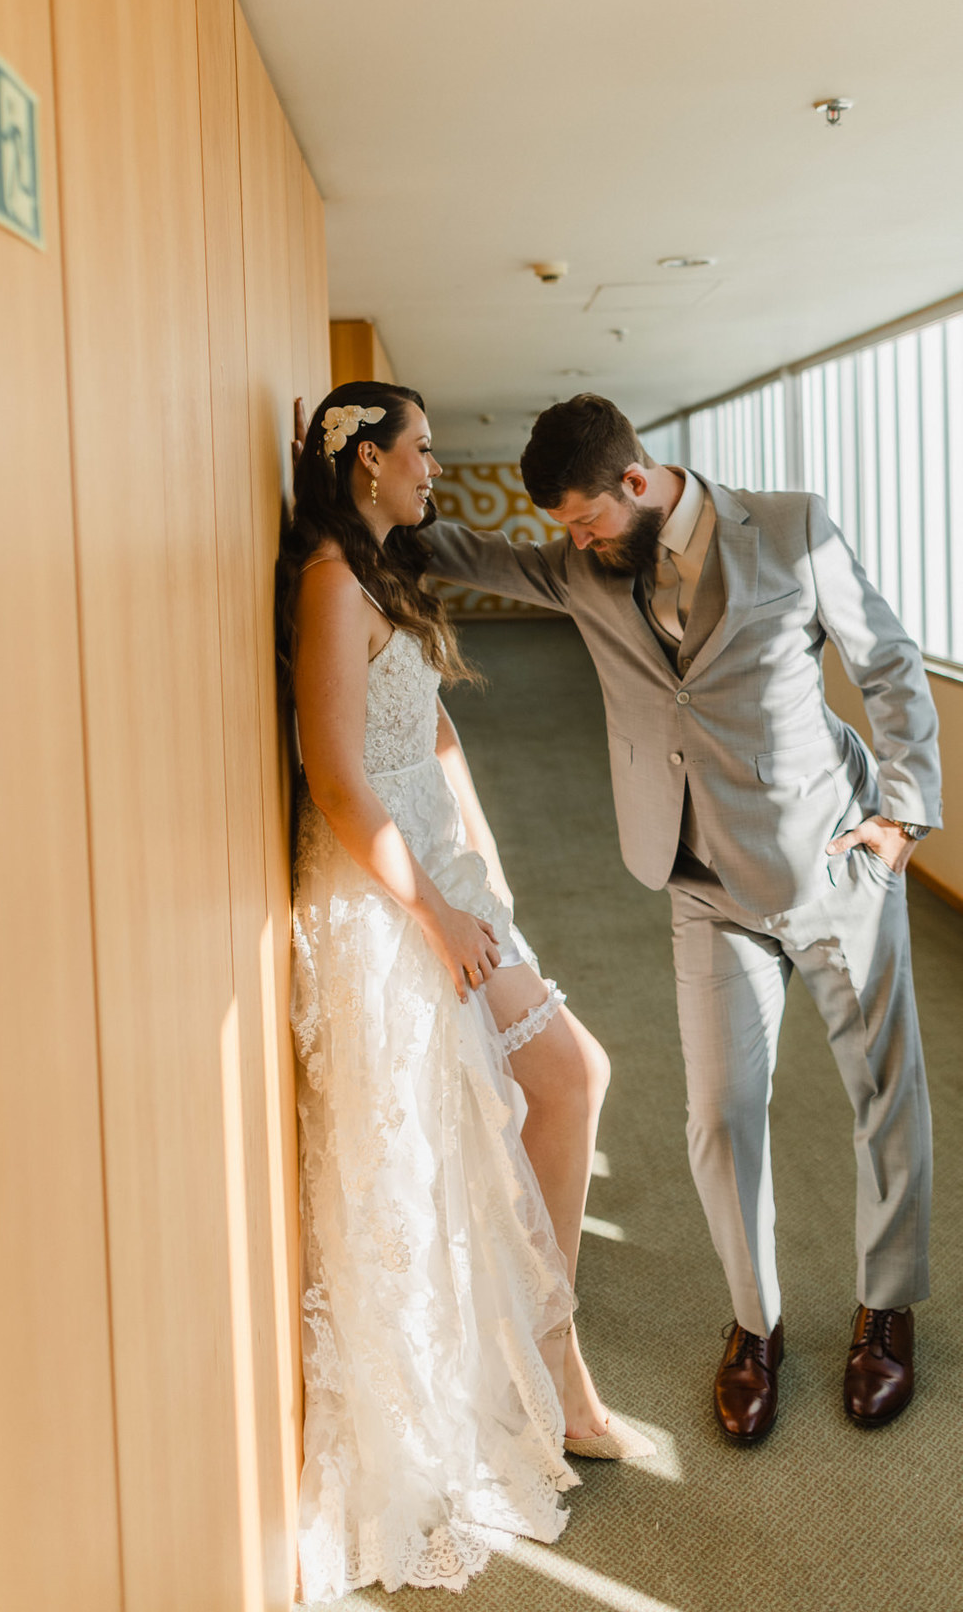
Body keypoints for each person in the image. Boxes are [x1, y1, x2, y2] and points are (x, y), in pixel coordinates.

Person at [421, 391, 940, 1445]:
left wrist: (903, 813)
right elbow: (463, 553)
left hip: (832, 870)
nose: (574, 543)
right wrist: (359, 493)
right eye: (564, 530)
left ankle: (886, 1311)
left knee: (882, 1094)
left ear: (638, 480)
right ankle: (756, 1324)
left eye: (586, 520)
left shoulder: (793, 529)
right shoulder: (584, 568)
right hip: (699, 885)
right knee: (719, 1116)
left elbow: (885, 663)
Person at [282, 383, 652, 1604]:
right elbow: (337, 775)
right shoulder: (334, 583)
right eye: (421, 451)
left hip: (444, 879)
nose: (436, 468)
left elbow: (432, 737)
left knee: (547, 1093)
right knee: (522, 1106)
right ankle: (544, 1382)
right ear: (368, 461)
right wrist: (436, 914)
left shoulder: (379, 568)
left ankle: (552, 1375)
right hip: (387, 900)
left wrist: (480, 874)